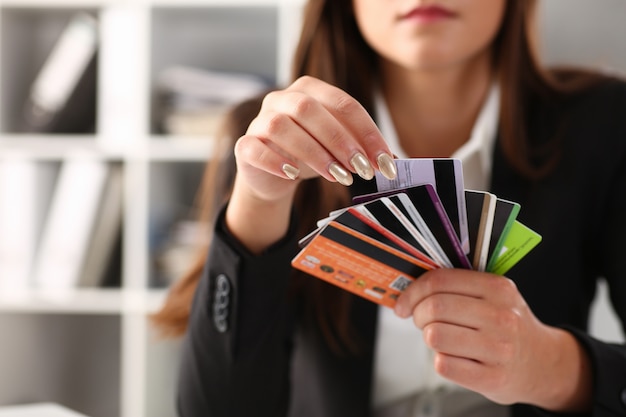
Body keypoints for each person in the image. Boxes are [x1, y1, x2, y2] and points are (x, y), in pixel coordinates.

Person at [151, 0, 626, 416]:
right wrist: (258, 202)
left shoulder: (604, 125)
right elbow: (220, 409)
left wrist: (557, 368)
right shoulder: (272, 138)